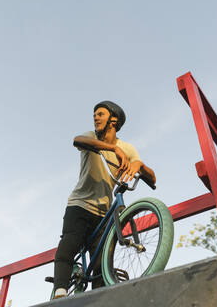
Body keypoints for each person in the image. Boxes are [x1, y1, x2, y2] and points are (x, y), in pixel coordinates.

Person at [52, 101, 156, 299]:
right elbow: (77, 140)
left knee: (102, 264)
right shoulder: (91, 138)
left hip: (103, 212)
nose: (95, 117)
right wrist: (112, 149)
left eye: (100, 114)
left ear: (113, 120)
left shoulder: (127, 148)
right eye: (94, 115)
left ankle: (96, 301)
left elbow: (153, 179)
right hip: (79, 205)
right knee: (68, 245)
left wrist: (140, 165)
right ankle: (60, 293)